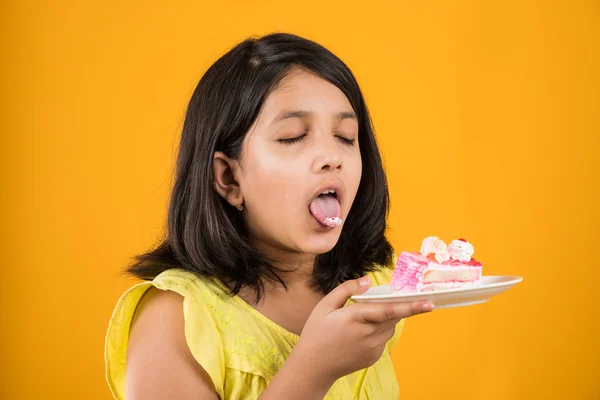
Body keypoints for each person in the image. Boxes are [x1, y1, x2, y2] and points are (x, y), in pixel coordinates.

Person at [104, 32, 434, 400]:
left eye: (345, 136)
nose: (332, 155)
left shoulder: (371, 291)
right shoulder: (173, 320)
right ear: (229, 177)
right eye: (293, 136)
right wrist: (313, 368)